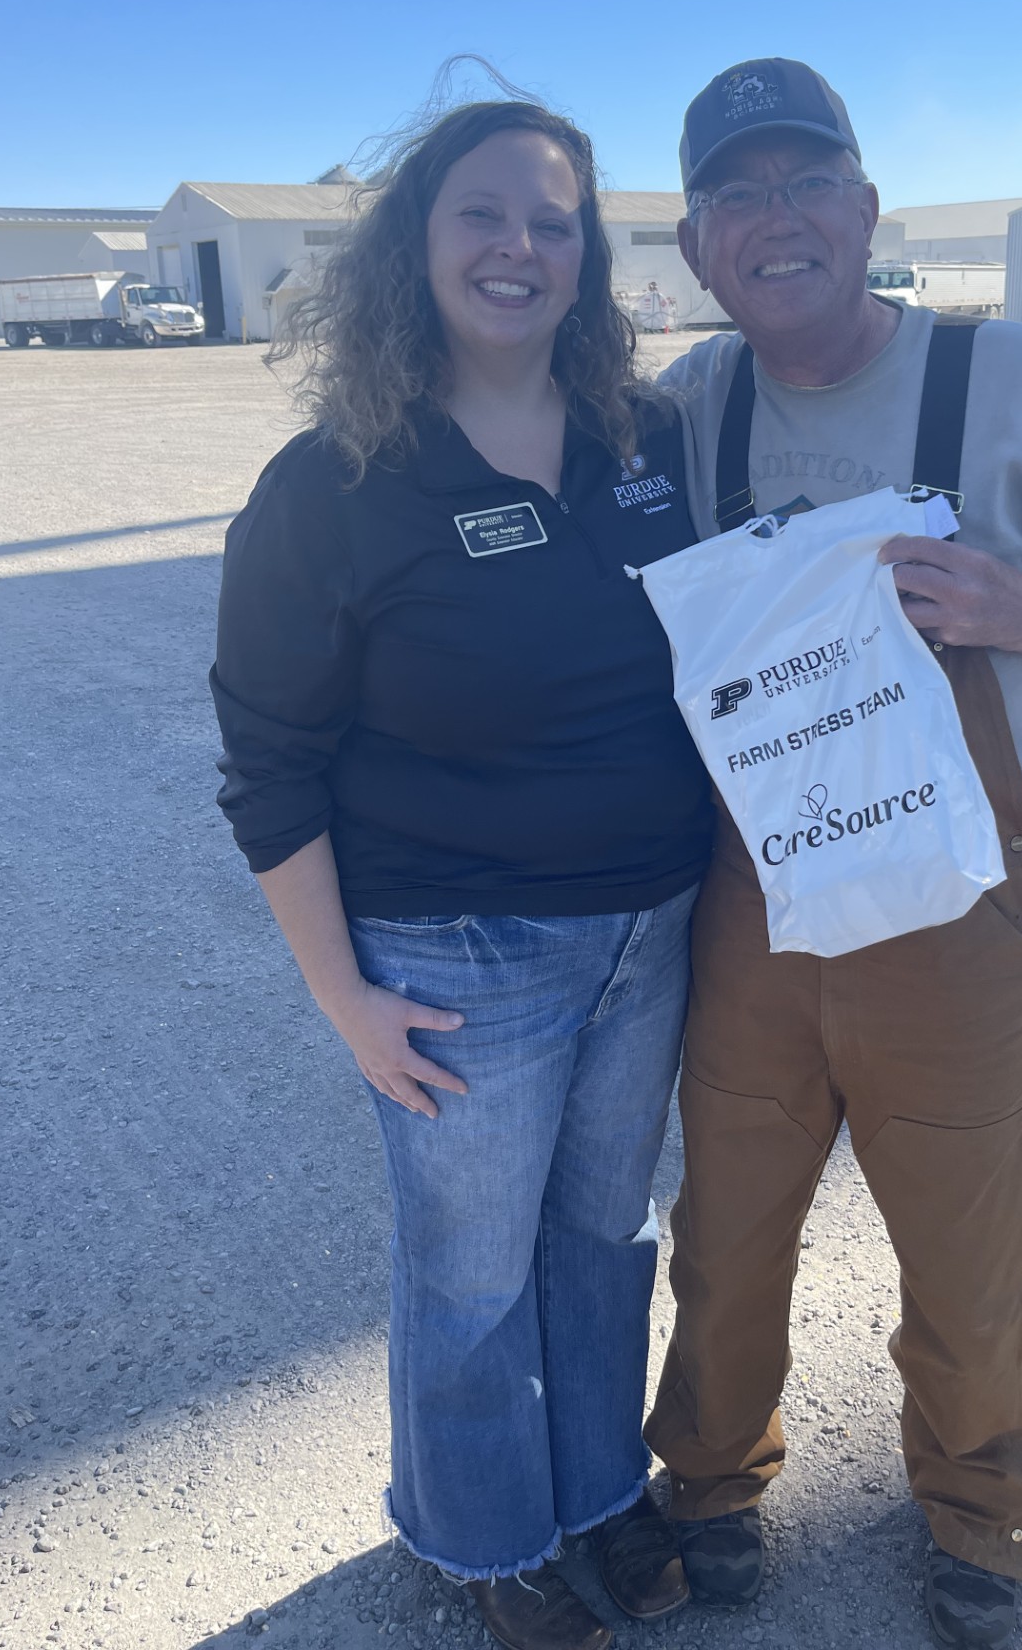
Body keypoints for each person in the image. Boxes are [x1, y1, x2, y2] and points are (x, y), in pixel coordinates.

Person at [642, 59, 1022, 1647]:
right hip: (758, 896)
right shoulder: (693, 402)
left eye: (807, 181)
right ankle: (712, 1481)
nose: (778, 219)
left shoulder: (1010, 377)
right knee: (730, 1227)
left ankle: (981, 1513)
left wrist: (1021, 609)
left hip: (961, 904)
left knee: (975, 1238)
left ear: (866, 211)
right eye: (738, 194)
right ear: (697, 246)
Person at [210, 96, 714, 1650]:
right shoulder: (337, 484)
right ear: (414, 247)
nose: (519, 248)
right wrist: (348, 998)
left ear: (587, 256)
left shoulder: (650, 439)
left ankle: (594, 1493)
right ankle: (480, 1530)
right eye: (481, 216)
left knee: (602, 1240)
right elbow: (269, 760)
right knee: (471, 1274)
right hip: (459, 951)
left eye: (551, 222)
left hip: (652, 922)